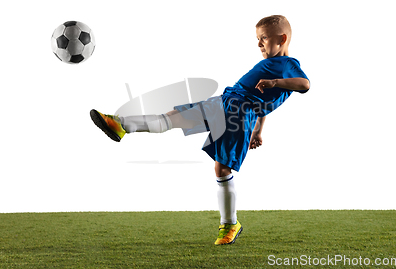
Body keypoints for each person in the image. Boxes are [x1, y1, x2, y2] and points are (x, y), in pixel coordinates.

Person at [90, 15, 309, 245]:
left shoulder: (289, 64)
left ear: (282, 39)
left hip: (240, 113)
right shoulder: (270, 66)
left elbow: (305, 84)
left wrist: (275, 83)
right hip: (226, 101)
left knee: (221, 168)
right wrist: (259, 131)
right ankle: (122, 124)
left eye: (263, 38)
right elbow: (264, 103)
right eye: (257, 39)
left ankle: (230, 224)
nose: (258, 44)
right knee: (174, 117)